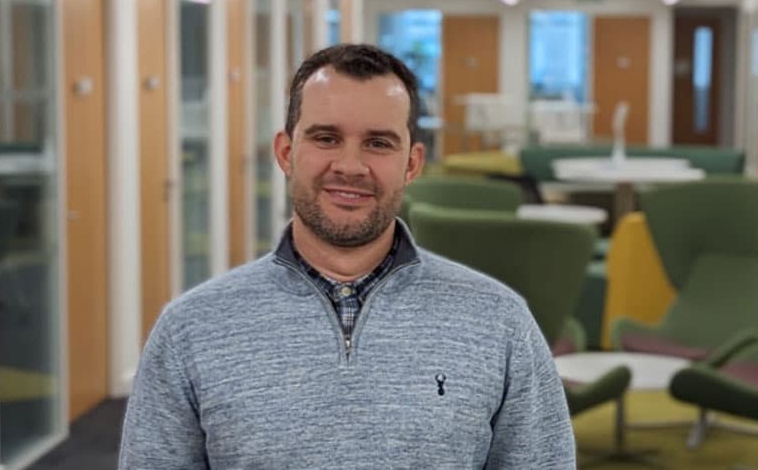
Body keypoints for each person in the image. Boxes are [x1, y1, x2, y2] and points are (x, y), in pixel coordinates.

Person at [119, 44, 576, 469]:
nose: (350, 166)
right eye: (326, 138)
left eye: (378, 143)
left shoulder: (498, 322)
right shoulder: (191, 329)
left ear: (412, 163)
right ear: (285, 152)